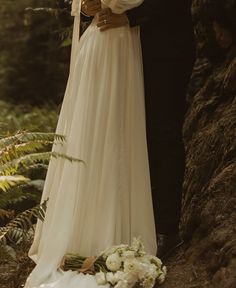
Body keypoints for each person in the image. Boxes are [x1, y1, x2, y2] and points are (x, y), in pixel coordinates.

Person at [1, 1, 157, 288]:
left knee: (116, 132)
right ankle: (88, 230)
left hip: (118, 41)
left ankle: (112, 226)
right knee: (93, 132)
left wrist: (118, 8)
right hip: (101, 42)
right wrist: (89, 5)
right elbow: (83, 8)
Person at [82, 0, 196, 257]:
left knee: (162, 133)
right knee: (123, 133)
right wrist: (86, 7)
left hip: (164, 48)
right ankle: (129, 221)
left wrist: (131, 17)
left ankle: (166, 228)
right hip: (118, 49)